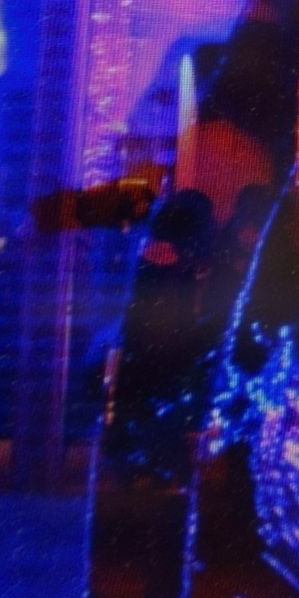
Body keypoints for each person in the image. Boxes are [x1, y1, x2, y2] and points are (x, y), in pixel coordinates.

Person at [107, 189, 222, 481]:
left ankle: (139, 462)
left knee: (145, 404)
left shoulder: (153, 254)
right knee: (166, 404)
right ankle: (163, 463)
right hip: (169, 344)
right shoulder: (181, 259)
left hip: (146, 343)